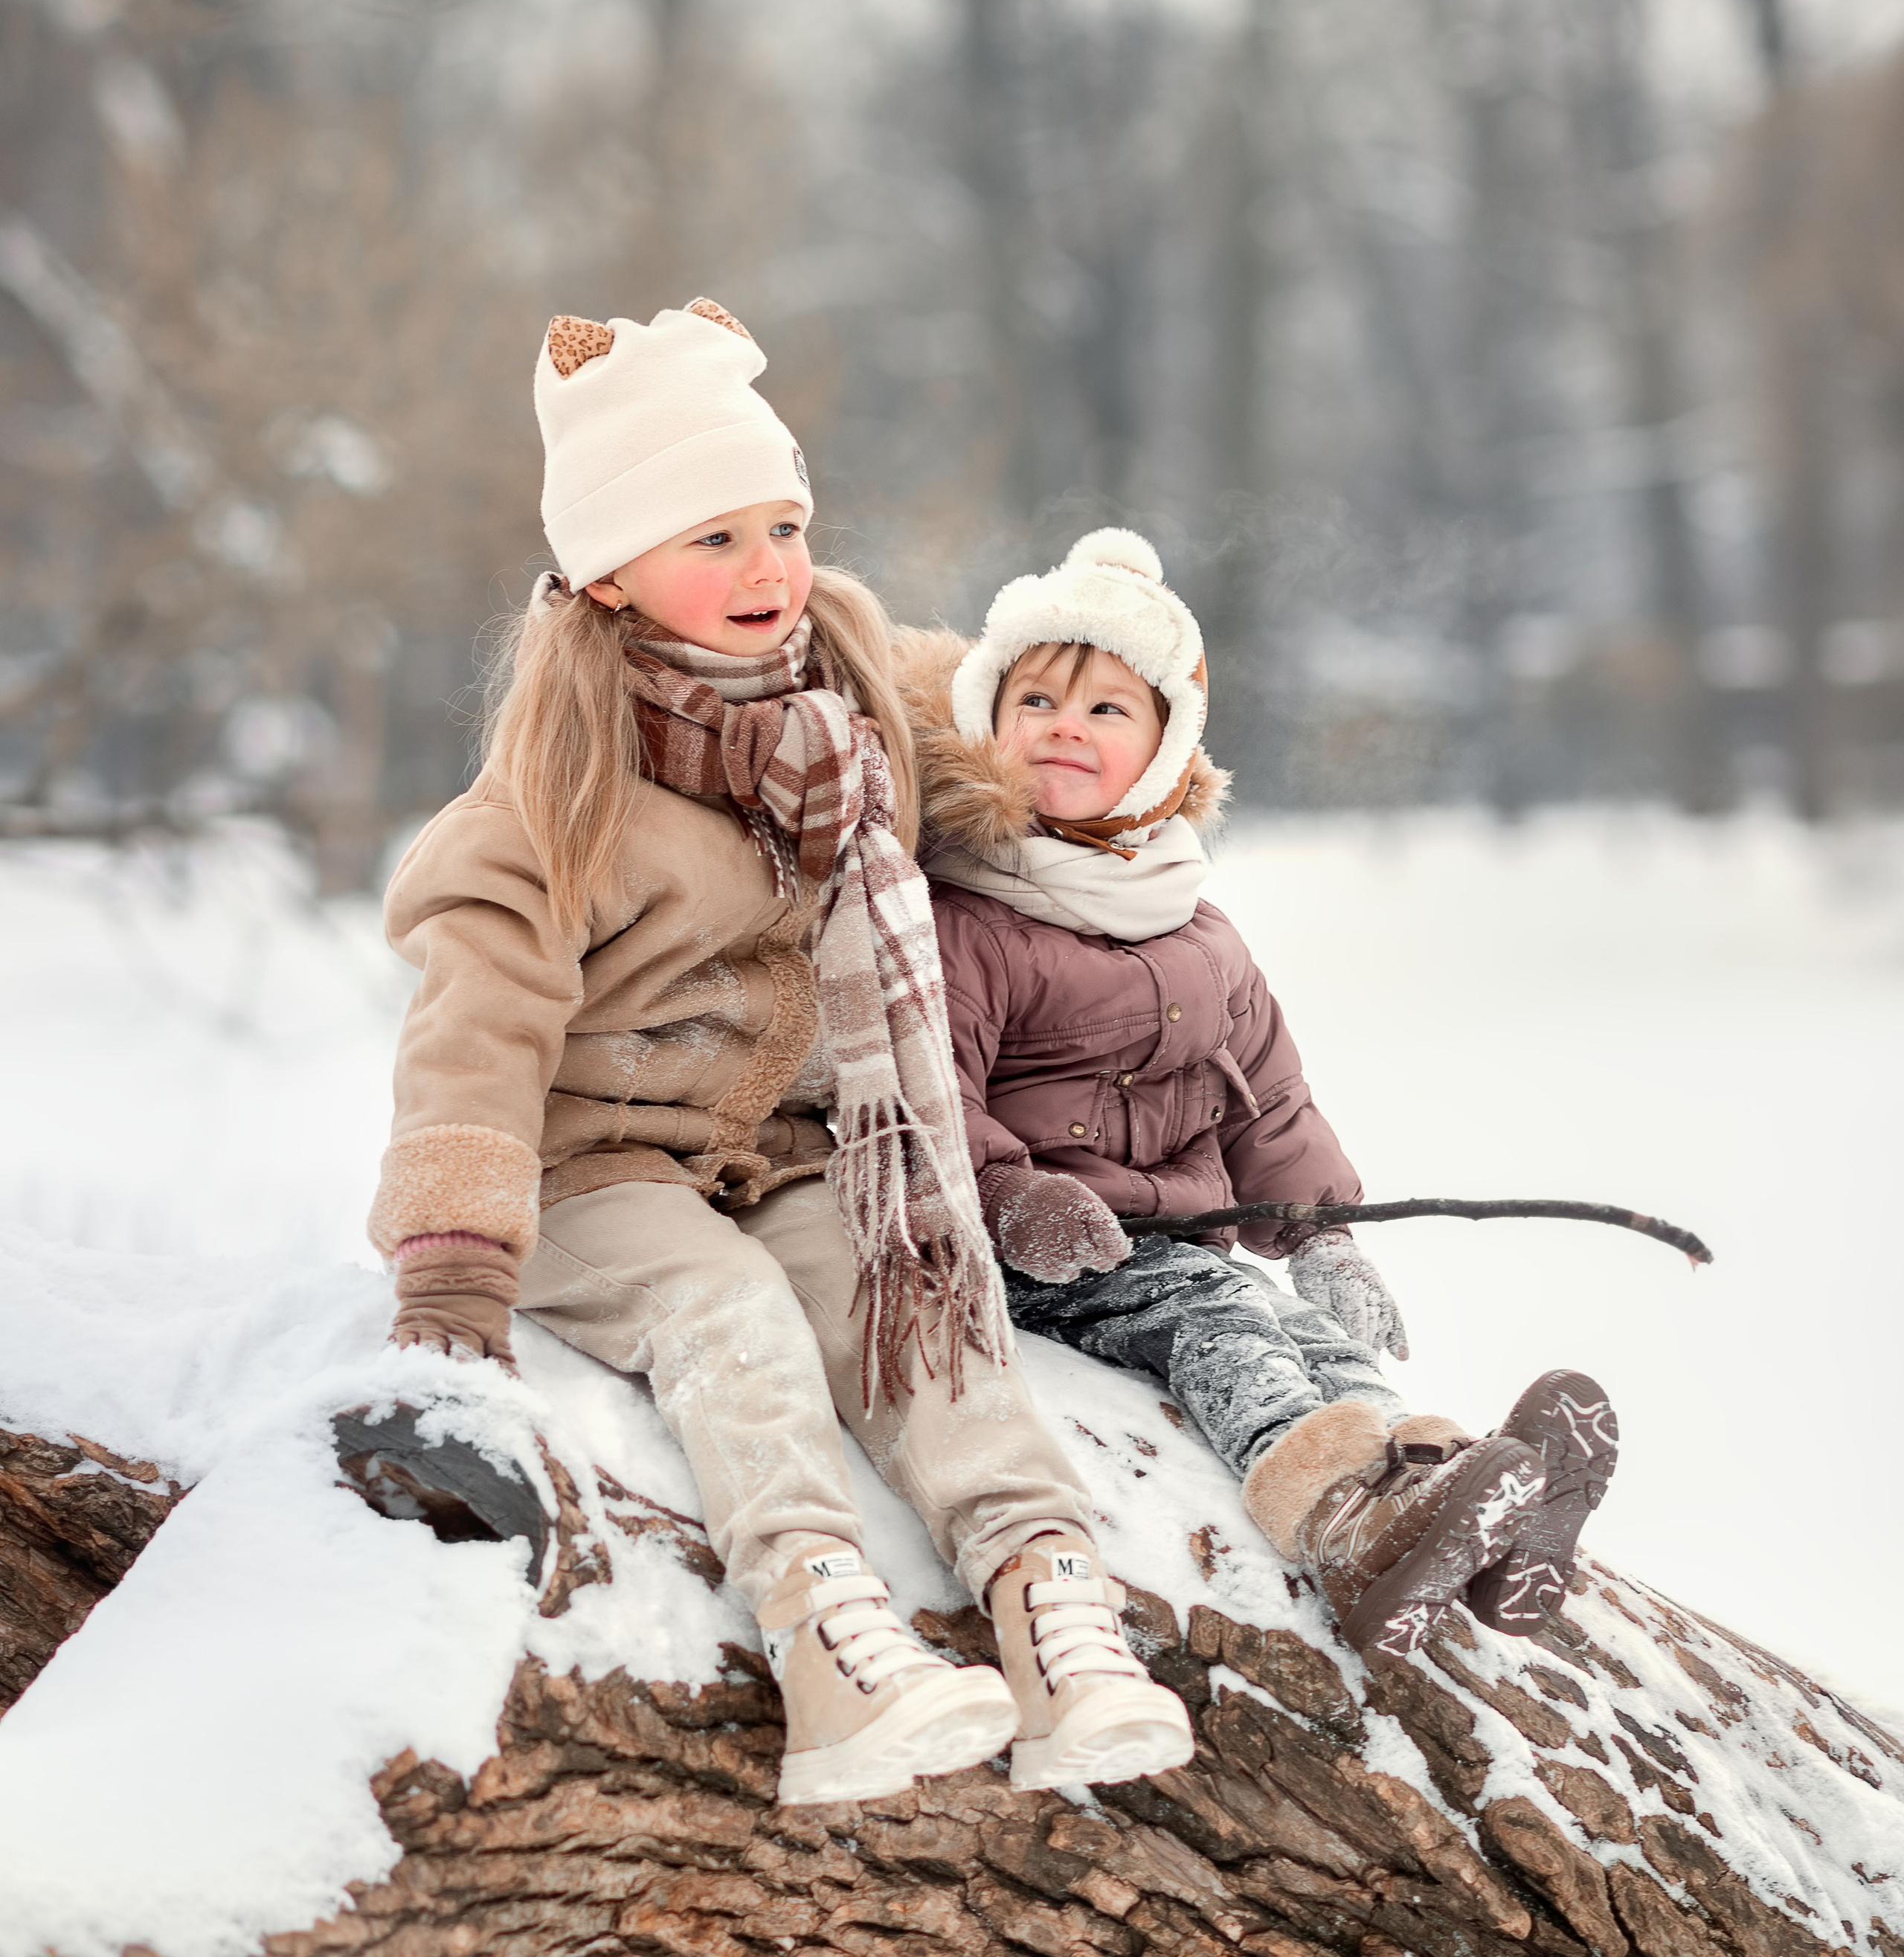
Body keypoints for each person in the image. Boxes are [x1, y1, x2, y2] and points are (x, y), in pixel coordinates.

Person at [366, 307, 1192, 1806]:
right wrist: (452, 1265)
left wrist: (1102, 749)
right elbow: (470, 1040)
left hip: (799, 1148)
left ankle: (1044, 1596)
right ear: (610, 573)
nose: (766, 570)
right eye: (712, 539)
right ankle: (827, 1641)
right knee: (732, 1318)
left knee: (911, 1297)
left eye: (782, 525)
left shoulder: (849, 691)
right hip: (598, 1172)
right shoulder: (552, 791)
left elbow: (999, 733)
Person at [900, 528, 1618, 1662]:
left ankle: (1460, 1497)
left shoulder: (1198, 926)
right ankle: (1341, 1522)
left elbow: (1269, 1103)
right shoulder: (965, 915)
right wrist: (1011, 1201)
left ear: (1166, 756)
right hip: (1046, 1261)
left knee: (1306, 1336)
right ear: (988, 721)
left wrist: (1323, 1234)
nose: (1063, 728)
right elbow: (925, 1090)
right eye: (1033, 699)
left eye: (1104, 711)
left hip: (1180, 1244)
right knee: (1225, 1327)